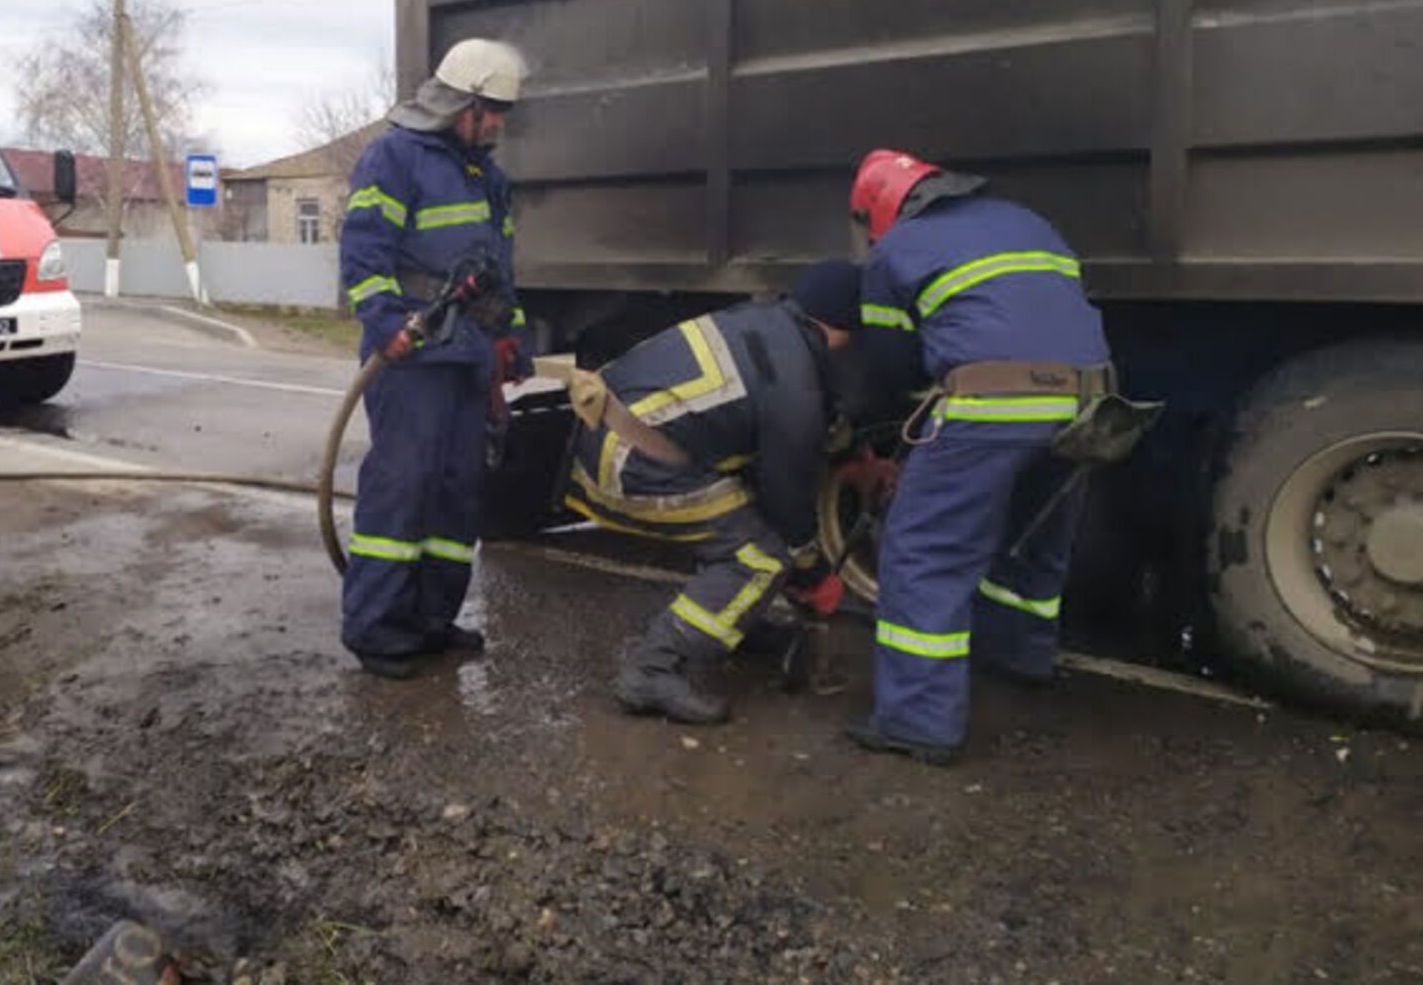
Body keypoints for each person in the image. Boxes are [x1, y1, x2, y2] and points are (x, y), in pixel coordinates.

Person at [847, 149, 1112, 765]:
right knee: (1031, 531)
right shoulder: (1026, 220)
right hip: (1089, 399)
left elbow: (890, 362)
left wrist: (873, 418)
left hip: (997, 401)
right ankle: (1019, 653)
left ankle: (916, 721)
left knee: (923, 552)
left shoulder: (894, 250)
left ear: (879, 210)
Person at [561, 262, 861, 724]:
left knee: (743, 518)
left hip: (610, 439)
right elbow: (788, 501)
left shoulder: (764, 321)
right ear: (841, 328)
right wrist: (811, 572)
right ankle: (651, 668)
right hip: (631, 466)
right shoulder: (795, 385)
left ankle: (735, 617)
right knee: (760, 554)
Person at [337, 39, 537, 679]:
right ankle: (376, 629)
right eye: (495, 109)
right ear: (465, 102)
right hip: (415, 353)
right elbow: (363, 250)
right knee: (404, 487)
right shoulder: (394, 158)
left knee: (457, 491)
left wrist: (510, 339)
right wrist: (386, 322)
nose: (501, 123)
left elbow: (500, 271)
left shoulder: (487, 176)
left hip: (469, 354)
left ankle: (429, 619)